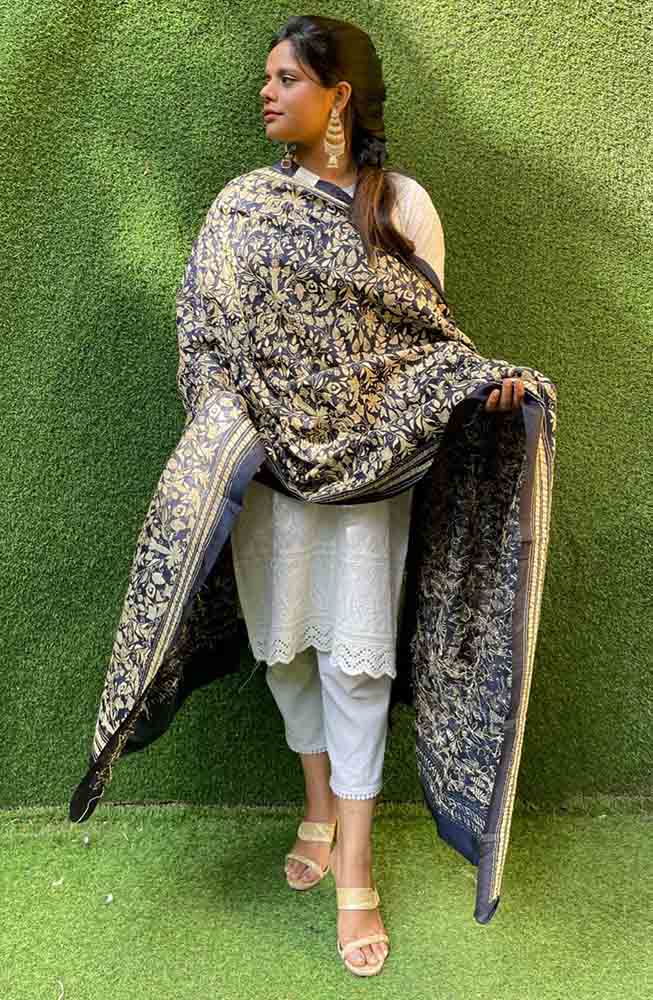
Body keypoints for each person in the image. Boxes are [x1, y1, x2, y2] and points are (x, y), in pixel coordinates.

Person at [233, 15, 524, 977]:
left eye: (285, 78)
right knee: (284, 652)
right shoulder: (246, 209)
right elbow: (208, 335)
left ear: (338, 95)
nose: (266, 92)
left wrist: (483, 386)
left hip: (368, 477)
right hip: (270, 474)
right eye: (267, 77)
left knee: (355, 666)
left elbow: (428, 343)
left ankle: (353, 865)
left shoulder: (402, 205)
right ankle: (317, 803)